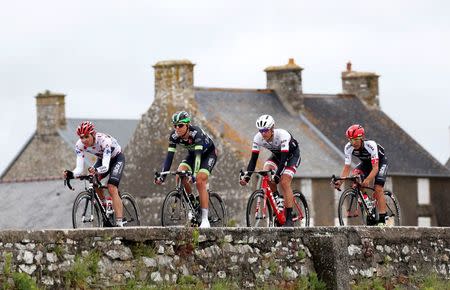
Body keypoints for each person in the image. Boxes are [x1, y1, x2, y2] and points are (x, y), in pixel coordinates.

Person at [155, 111, 217, 228]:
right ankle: (192, 201)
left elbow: (199, 156)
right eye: (175, 126)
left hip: (208, 155)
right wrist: (162, 176)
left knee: (199, 180)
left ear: (187, 125)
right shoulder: (174, 136)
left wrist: (194, 175)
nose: (177, 128)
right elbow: (169, 157)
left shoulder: (196, 133)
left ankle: (204, 219)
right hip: (193, 156)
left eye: (180, 125)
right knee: (179, 174)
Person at [239, 114, 301, 227]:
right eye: (261, 131)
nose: (263, 133)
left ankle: (289, 217)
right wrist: (247, 177)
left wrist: (277, 175)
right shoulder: (258, 138)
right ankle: (277, 198)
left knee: (284, 181)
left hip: (291, 156)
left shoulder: (282, 135)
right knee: (266, 170)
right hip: (277, 156)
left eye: (265, 130)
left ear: (272, 129)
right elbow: (253, 160)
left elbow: (284, 160)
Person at [63, 121, 125, 227]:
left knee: (111, 187)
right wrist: (72, 174)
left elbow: (105, 167)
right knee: (92, 179)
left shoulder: (104, 141)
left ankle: (120, 223)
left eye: (86, 137)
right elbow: (79, 168)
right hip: (102, 159)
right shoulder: (79, 145)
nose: (84, 140)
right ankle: (104, 204)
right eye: (81, 137)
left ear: (93, 134)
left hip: (116, 159)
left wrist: (96, 170)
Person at [334, 124, 389, 225]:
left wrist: (367, 180)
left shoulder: (370, 145)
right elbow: (347, 167)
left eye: (355, 139)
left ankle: (382, 217)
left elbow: (375, 168)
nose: (353, 143)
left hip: (379, 163)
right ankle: (368, 204)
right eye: (350, 140)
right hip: (365, 164)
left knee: (378, 188)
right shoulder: (348, 147)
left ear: (362, 138)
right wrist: (340, 181)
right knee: (356, 177)